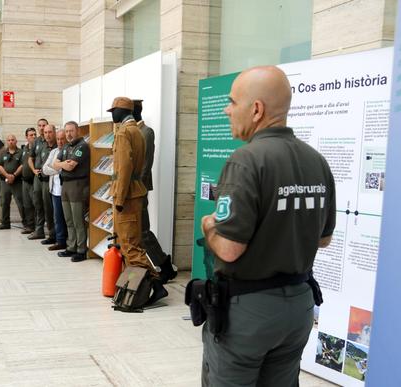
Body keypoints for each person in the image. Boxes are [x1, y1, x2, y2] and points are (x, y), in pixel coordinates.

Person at [200, 66, 336, 386]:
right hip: (299, 308)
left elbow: (230, 248)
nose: (227, 109)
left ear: (256, 109)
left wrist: (209, 226)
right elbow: (324, 239)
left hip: (248, 313)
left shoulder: (245, 161)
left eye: (233, 102)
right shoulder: (316, 161)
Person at [108, 96, 168, 305]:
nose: (112, 114)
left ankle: (155, 284)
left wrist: (120, 198)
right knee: (131, 243)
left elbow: (124, 168)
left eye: (113, 111)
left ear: (121, 111)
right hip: (134, 192)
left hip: (127, 195)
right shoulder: (137, 131)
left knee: (130, 245)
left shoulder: (125, 132)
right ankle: (145, 285)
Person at [132, 99, 177, 282]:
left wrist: (138, 189)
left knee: (143, 231)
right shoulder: (132, 132)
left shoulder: (146, 132)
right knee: (138, 231)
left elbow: (145, 164)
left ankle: (165, 265)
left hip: (139, 189)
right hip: (133, 190)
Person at [53, 121, 89, 262]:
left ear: (77, 131)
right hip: (65, 185)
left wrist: (62, 164)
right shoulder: (66, 146)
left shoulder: (82, 147)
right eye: (66, 131)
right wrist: (62, 164)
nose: (68, 134)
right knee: (68, 219)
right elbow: (55, 165)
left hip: (77, 185)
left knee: (77, 220)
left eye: (71, 131)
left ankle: (81, 250)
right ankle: (71, 247)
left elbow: (70, 167)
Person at [28, 123, 57, 244]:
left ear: (54, 133)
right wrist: (34, 170)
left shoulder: (57, 146)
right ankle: (40, 230)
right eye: (46, 132)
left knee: (49, 208)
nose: (47, 135)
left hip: (49, 180)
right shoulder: (41, 145)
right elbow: (31, 158)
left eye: (50, 132)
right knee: (38, 205)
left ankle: (52, 233)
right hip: (38, 178)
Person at [41, 128, 68, 251]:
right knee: (57, 217)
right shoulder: (54, 152)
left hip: (66, 190)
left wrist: (56, 166)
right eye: (58, 139)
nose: (60, 142)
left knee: (68, 218)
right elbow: (45, 169)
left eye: (62, 139)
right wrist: (59, 167)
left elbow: (69, 168)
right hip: (54, 190)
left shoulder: (70, 151)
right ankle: (60, 241)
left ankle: (68, 241)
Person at [0, 134, 24, 230]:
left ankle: (27, 223)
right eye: (9, 140)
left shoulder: (21, 152)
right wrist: (7, 175)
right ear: (7, 142)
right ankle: (5, 223)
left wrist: (14, 175)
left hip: (17, 182)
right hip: (5, 182)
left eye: (12, 140)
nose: (11, 141)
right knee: (4, 202)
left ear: (16, 141)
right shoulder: (3, 152)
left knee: (20, 202)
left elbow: (22, 165)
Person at [20, 127, 37, 234]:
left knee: (36, 205)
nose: (34, 136)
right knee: (27, 205)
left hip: (34, 181)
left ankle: (37, 227)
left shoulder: (37, 148)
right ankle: (30, 226)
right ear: (26, 137)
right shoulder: (25, 149)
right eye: (31, 135)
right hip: (24, 181)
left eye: (35, 134)